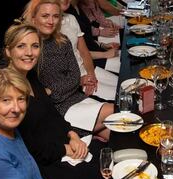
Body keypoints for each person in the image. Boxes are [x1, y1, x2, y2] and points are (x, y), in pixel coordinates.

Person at [4, 23, 108, 179]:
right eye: (21, 46)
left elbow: (52, 113)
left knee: (108, 155)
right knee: (104, 178)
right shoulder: (8, 90)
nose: (29, 53)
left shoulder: (30, 76)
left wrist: (72, 135)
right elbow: (29, 148)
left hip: (63, 146)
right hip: (48, 164)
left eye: (34, 46)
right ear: (8, 51)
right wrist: (65, 149)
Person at [25, 0, 114, 140]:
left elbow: (75, 76)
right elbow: (36, 94)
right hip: (56, 109)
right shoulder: (30, 48)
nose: (51, 21)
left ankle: (85, 133)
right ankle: (77, 133)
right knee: (117, 112)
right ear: (34, 18)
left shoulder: (63, 41)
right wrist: (52, 91)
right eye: (45, 16)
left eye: (55, 16)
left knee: (117, 132)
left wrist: (51, 91)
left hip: (75, 97)